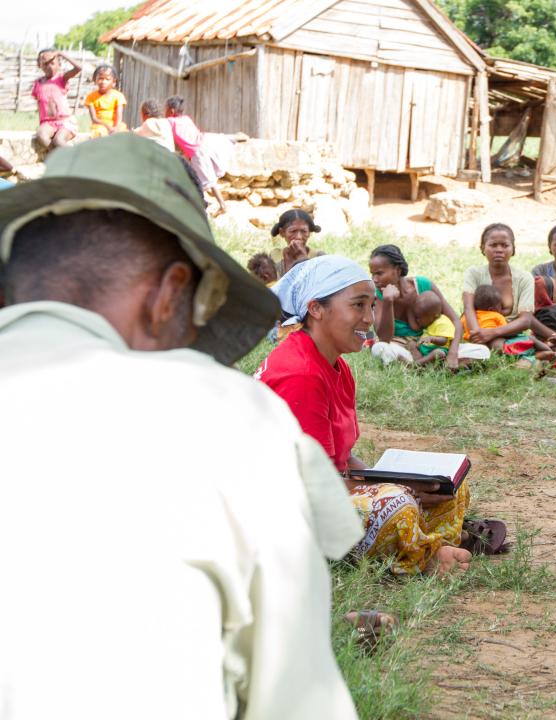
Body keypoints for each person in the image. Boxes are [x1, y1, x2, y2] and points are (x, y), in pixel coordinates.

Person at [0, 133, 361, 718]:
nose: (192, 340)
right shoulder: (228, 417)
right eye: (199, 315)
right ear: (169, 294)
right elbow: (297, 700)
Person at [256, 255, 505, 573]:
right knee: (396, 504)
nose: (368, 319)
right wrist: (398, 490)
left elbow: (341, 460)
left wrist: (402, 481)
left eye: (371, 306)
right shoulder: (300, 373)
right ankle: (424, 556)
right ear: (316, 308)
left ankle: (424, 541)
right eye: (358, 306)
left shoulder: (336, 364)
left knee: (446, 488)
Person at [369, 243, 468, 369]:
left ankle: (415, 366)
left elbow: (455, 321)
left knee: (481, 351)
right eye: (372, 274)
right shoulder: (378, 295)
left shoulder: (423, 285)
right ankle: (427, 365)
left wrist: (453, 354)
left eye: (379, 273)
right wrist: (389, 302)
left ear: (398, 270)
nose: (374, 279)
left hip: (429, 345)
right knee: (379, 348)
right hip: (398, 346)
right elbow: (384, 338)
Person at [463, 223, 535, 351]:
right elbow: (468, 308)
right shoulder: (473, 273)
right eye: (493, 245)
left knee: (500, 346)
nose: (499, 250)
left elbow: (526, 320)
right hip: (477, 331)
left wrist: (492, 333)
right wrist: (478, 337)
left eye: (505, 245)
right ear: (482, 248)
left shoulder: (524, 278)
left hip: (510, 333)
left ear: (513, 249)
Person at [165, 95, 234, 215]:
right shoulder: (186, 118)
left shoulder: (170, 122)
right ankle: (219, 204)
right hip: (205, 142)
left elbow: (163, 128)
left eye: (165, 109)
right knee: (208, 179)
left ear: (171, 111)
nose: (164, 112)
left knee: (203, 182)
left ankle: (209, 205)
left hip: (198, 151)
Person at [32, 48, 81, 149]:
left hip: (65, 121)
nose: (49, 66)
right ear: (39, 65)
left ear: (59, 65)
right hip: (47, 122)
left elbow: (78, 68)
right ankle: (59, 158)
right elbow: (40, 104)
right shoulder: (38, 83)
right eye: (45, 63)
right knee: (41, 136)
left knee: (58, 140)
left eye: (52, 63)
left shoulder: (62, 79)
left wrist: (60, 53)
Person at [270, 208, 323, 277]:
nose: (299, 237)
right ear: (282, 233)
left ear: (309, 233)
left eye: (304, 231)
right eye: (293, 231)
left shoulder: (319, 257)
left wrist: (303, 258)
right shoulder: (274, 255)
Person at [84, 64, 127, 138]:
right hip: (99, 126)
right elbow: (94, 119)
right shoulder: (91, 97)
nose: (103, 81)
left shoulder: (119, 96)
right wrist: (108, 127)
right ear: (95, 80)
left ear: (113, 82)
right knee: (100, 133)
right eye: (100, 78)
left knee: (124, 133)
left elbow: (119, 116)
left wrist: (116, 128)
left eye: (107, 79)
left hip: (116, 125)